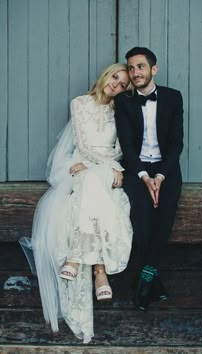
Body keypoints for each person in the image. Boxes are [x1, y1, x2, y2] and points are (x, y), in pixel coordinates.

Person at [19, 63, 133, 343]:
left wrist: (114, 166)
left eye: (122, 85)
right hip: (84, 163)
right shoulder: (80, 103)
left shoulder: (120, 111)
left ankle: (76, 258)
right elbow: (83, 144)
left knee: (93, 180)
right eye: (115, 77)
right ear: (107, 74)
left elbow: (121, 147)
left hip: (106, 168)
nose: (116, 85)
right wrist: (106, 163)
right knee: (88, 181)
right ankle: (99, 270)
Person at [114, 47, 183, 312]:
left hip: (167, 168)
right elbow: (127, 146)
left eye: (140, 67)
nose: (134, 73)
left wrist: (161, 176)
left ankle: (144, 279)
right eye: (131, 68)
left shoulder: (173, 97)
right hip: (136, 168)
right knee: (141, 216)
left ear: (153, 69)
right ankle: (152, 282)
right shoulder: (124, 101)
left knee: (165, 215)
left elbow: (177, 142)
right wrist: (144, 176)